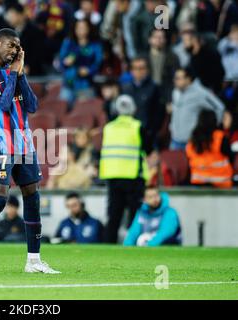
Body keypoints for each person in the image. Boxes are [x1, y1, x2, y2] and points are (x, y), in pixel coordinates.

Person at [0, 28, 60, 274]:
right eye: (11, 46)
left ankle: (33, 260)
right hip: (0, 141)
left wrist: (20, 76)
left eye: (18, 48)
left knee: (32, 196)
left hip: (24, 142)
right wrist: (12, 74)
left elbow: (32, 105)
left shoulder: (14, 73)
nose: (15, 51)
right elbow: (3, 102)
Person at [99, 95, 153, 243]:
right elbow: (148, 149)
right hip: (133, 176)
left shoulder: (108, 128)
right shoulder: (138, 126)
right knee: (135, 216)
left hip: (112, 177)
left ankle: (108, 247)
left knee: (114, 216)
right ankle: (135, 244)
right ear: (133, 109)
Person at [169, 67, 225, 150]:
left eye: (178, 78)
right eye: (175, 78)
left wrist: (209, 128)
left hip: (191, 142)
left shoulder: (200, 93)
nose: (175, 81)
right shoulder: (175, 92)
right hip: (175, 140)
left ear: (188, 79)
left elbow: (219, 108)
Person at [59, 18, 103, 105]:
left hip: (86, 85)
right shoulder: (68, 43)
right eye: (78, 27)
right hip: (68, 84)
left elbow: (98, 63)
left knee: (85, 111)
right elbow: (60, 62)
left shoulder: (95, 45)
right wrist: (65, 62)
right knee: (63, 110)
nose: (80, 30)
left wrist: (89, 71)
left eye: (83, 27)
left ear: (89, 29)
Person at [186, 110, 234, 188]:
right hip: (222, 183)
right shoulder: (220, 137)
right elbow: (230, 156)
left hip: (198, 182)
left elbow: (188, 157)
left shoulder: (192, 140)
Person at [121, 56, 164, 143]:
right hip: (128, 133)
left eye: (142, 68)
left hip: (147, 135)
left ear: (147, 70)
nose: (139, 71)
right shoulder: (126, 88)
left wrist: (152, 132)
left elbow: (159, 114)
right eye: (135, 68)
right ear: (131, 71)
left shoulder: (154, 88)